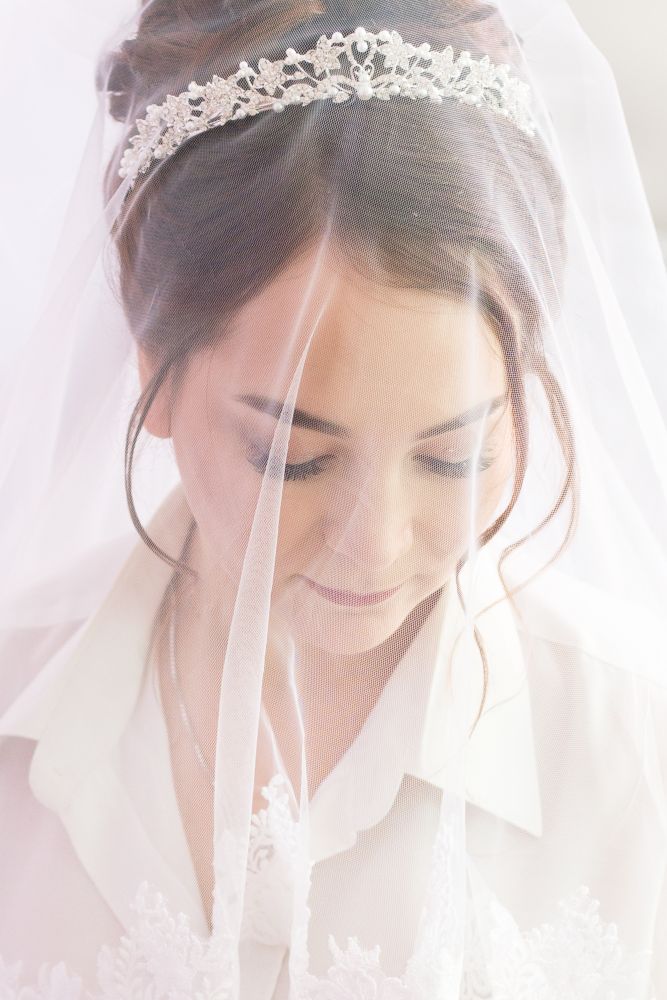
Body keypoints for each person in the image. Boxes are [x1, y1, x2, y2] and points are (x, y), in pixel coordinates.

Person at [1, 0, 666, 997]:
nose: (374, 545)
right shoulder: (16, 698)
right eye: (293, 459)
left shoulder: (635, 752)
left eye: (453, 457)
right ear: (153, 359)